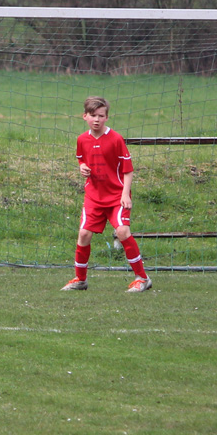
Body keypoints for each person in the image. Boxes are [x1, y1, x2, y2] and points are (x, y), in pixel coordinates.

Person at [62, 96, 151, 293]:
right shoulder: (82, 140)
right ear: (85, 116)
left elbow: (128, 170)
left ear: (106, 118)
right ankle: (80, 279)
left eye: (101, 116)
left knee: (122, 232)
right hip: (93, 196)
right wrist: (82, 167)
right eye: (93, 115)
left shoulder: (116, 139)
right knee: (84, 234)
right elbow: (81, 159)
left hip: (116, 196)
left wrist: (125, 195)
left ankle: (142, 278)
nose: (97, 119)